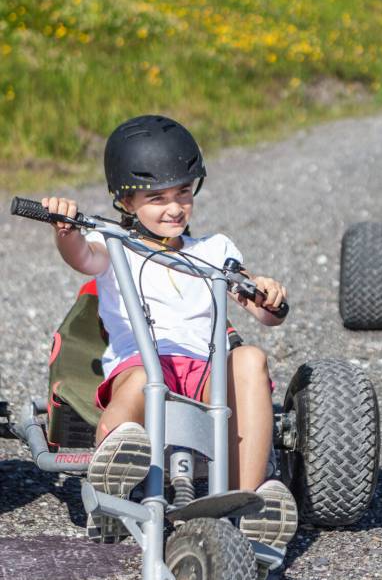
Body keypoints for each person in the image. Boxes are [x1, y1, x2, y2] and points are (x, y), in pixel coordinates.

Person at [43, 115, 298, 553]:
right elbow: (81, 257)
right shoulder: (114, 243)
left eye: (183, 192)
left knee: (251, 358)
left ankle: (246, 501)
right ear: (125, 203)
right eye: (157, 197)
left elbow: (258, 305)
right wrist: (66, 230)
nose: (175, 207)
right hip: (142, 365)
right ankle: (112, 478)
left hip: (204, 374)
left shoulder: (214, 250)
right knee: (144, 379)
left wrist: (269, 295)